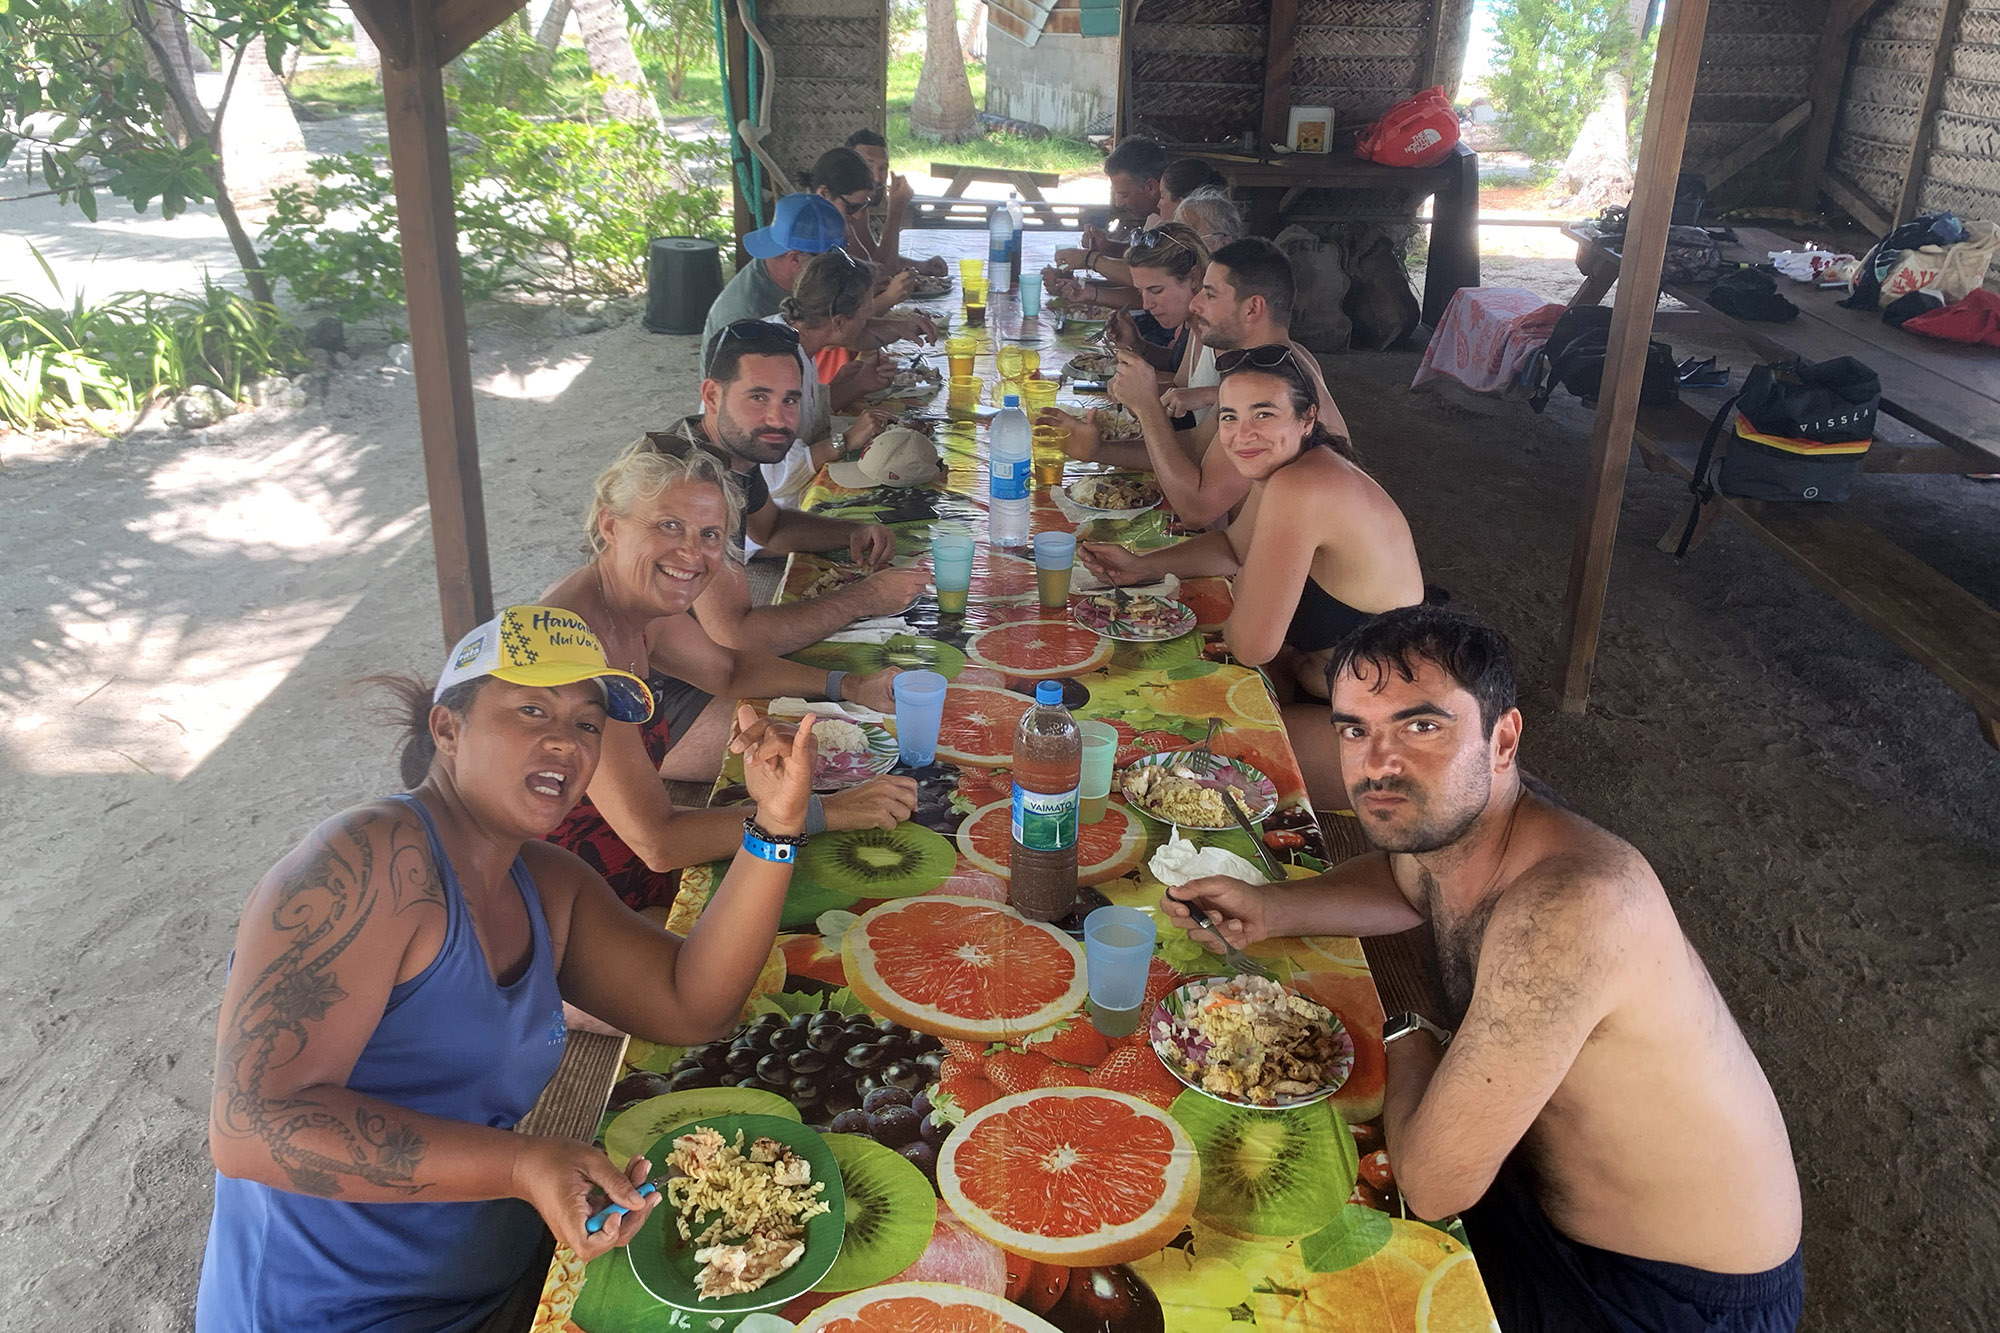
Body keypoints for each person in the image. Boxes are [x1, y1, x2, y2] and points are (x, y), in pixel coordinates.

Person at [1159, 607, 1804, 1333]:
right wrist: (1271, 907)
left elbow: (1433, 1183)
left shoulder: (1568, 911)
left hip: (1665, 1294)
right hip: (1540, 1191)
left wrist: (1407, 1031)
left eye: (1421, 726)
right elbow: (1405, 879)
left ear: (1503, 739)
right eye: (1354, 729)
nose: (1378, 763)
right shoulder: (1461, 830)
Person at [196, 605, 825, 1332]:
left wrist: (775, 826)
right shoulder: (366, 863)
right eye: (532, 709)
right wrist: (523, 1166)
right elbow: (248, 1124)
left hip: (486, 1275)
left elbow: (692, 1004)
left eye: (589, 723)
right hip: (325, 1312)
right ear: (448, 728)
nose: (566, 739)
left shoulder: (543, 883)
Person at [539, 450, 916, 908]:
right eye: (668, 525)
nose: (693, 554)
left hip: (628, 847)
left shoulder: (634, 602)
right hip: (569, 888)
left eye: (710, 534)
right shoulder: (574, 648)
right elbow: (659, 841)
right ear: (611, 526)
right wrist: (827, 812)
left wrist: (850, 686)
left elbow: (729, 668)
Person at [1078, 345, 1422, 803]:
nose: (1242, 435)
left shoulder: (1302, 486)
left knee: (1176, 756)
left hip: (1397, 734)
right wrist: (1142, 566)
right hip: (1333, 694)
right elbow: (1231, 546)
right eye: (1228, 416)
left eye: (1263, 414)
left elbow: (1250, 644)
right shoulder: (1292, 468)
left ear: (1306, 418)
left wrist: (1244, 589)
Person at [643, 320, 931, 669]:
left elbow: (771, 528)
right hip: (648, 682)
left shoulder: (730, 449)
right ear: (712, 396)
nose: (777, 419)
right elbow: (738, 637)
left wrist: (852, 532)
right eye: (758, 397)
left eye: (789, 399)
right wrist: (865, 598)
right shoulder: (694, 484)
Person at [1047, 237, 1350, 528]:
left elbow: (1198, 509)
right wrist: (1096, 449)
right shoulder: (1262, 364)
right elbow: (1195, 447)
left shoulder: (1271, 382)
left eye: (1210, 294)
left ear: (1253, 308)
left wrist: (1147, 405)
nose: (1195, 304)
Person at [763, 249, 907, 506]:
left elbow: (805, 420)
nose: (866, 322)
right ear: (838, 322)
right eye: (864, 313)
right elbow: (771, 476)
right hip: (769, 522)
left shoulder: (796, 342)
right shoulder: (775, 361)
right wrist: (847, 440)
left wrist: (857, 385)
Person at [842, 127, 947, 278]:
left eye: (883, 168)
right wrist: (896, 211)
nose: (877, 178)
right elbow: (879, 275)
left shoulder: (860, 210)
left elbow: (872, 259)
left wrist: (920, 266)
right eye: (868, 167)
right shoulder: (839, 212)